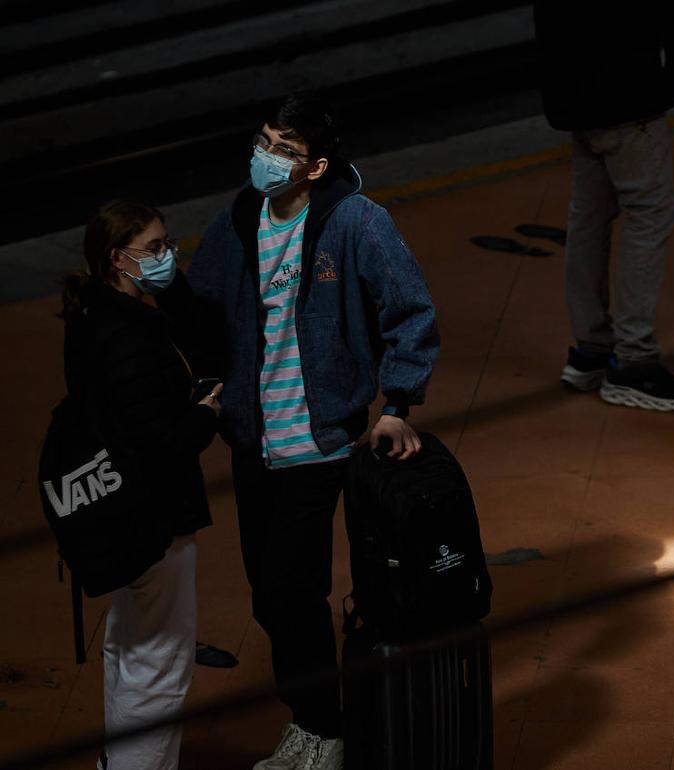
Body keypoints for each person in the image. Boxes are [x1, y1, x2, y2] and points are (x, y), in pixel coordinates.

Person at [163, 94, 439, 770]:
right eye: (263, 141)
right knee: (271, 590)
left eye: (283, 150)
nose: (265, 157)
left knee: (291, 586)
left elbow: (409, 309)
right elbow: (205, 315)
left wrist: (398, 401)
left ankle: (324, 728)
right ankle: (313, 721)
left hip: (320, 442)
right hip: (254, 440)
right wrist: (170, 294)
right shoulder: (237, 220)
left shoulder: (356, 223)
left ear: (315, 167)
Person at [60, 200, 222, 769]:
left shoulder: (91, 315)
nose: (166, 255)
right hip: (154, 517)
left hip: (115, 514)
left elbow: (199, 330)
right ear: (116, 259)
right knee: (160, 668)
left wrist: (170, 287)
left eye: (166, 242)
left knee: (128, 650)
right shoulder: (125, 336)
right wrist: (205, 412)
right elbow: (160, 445)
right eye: (153, 249)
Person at [534, 0, 674, 411]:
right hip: (629, 96)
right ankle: (634, 360)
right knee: (648, 216)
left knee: (589, 218)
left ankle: (591, 349)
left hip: (574, 96)